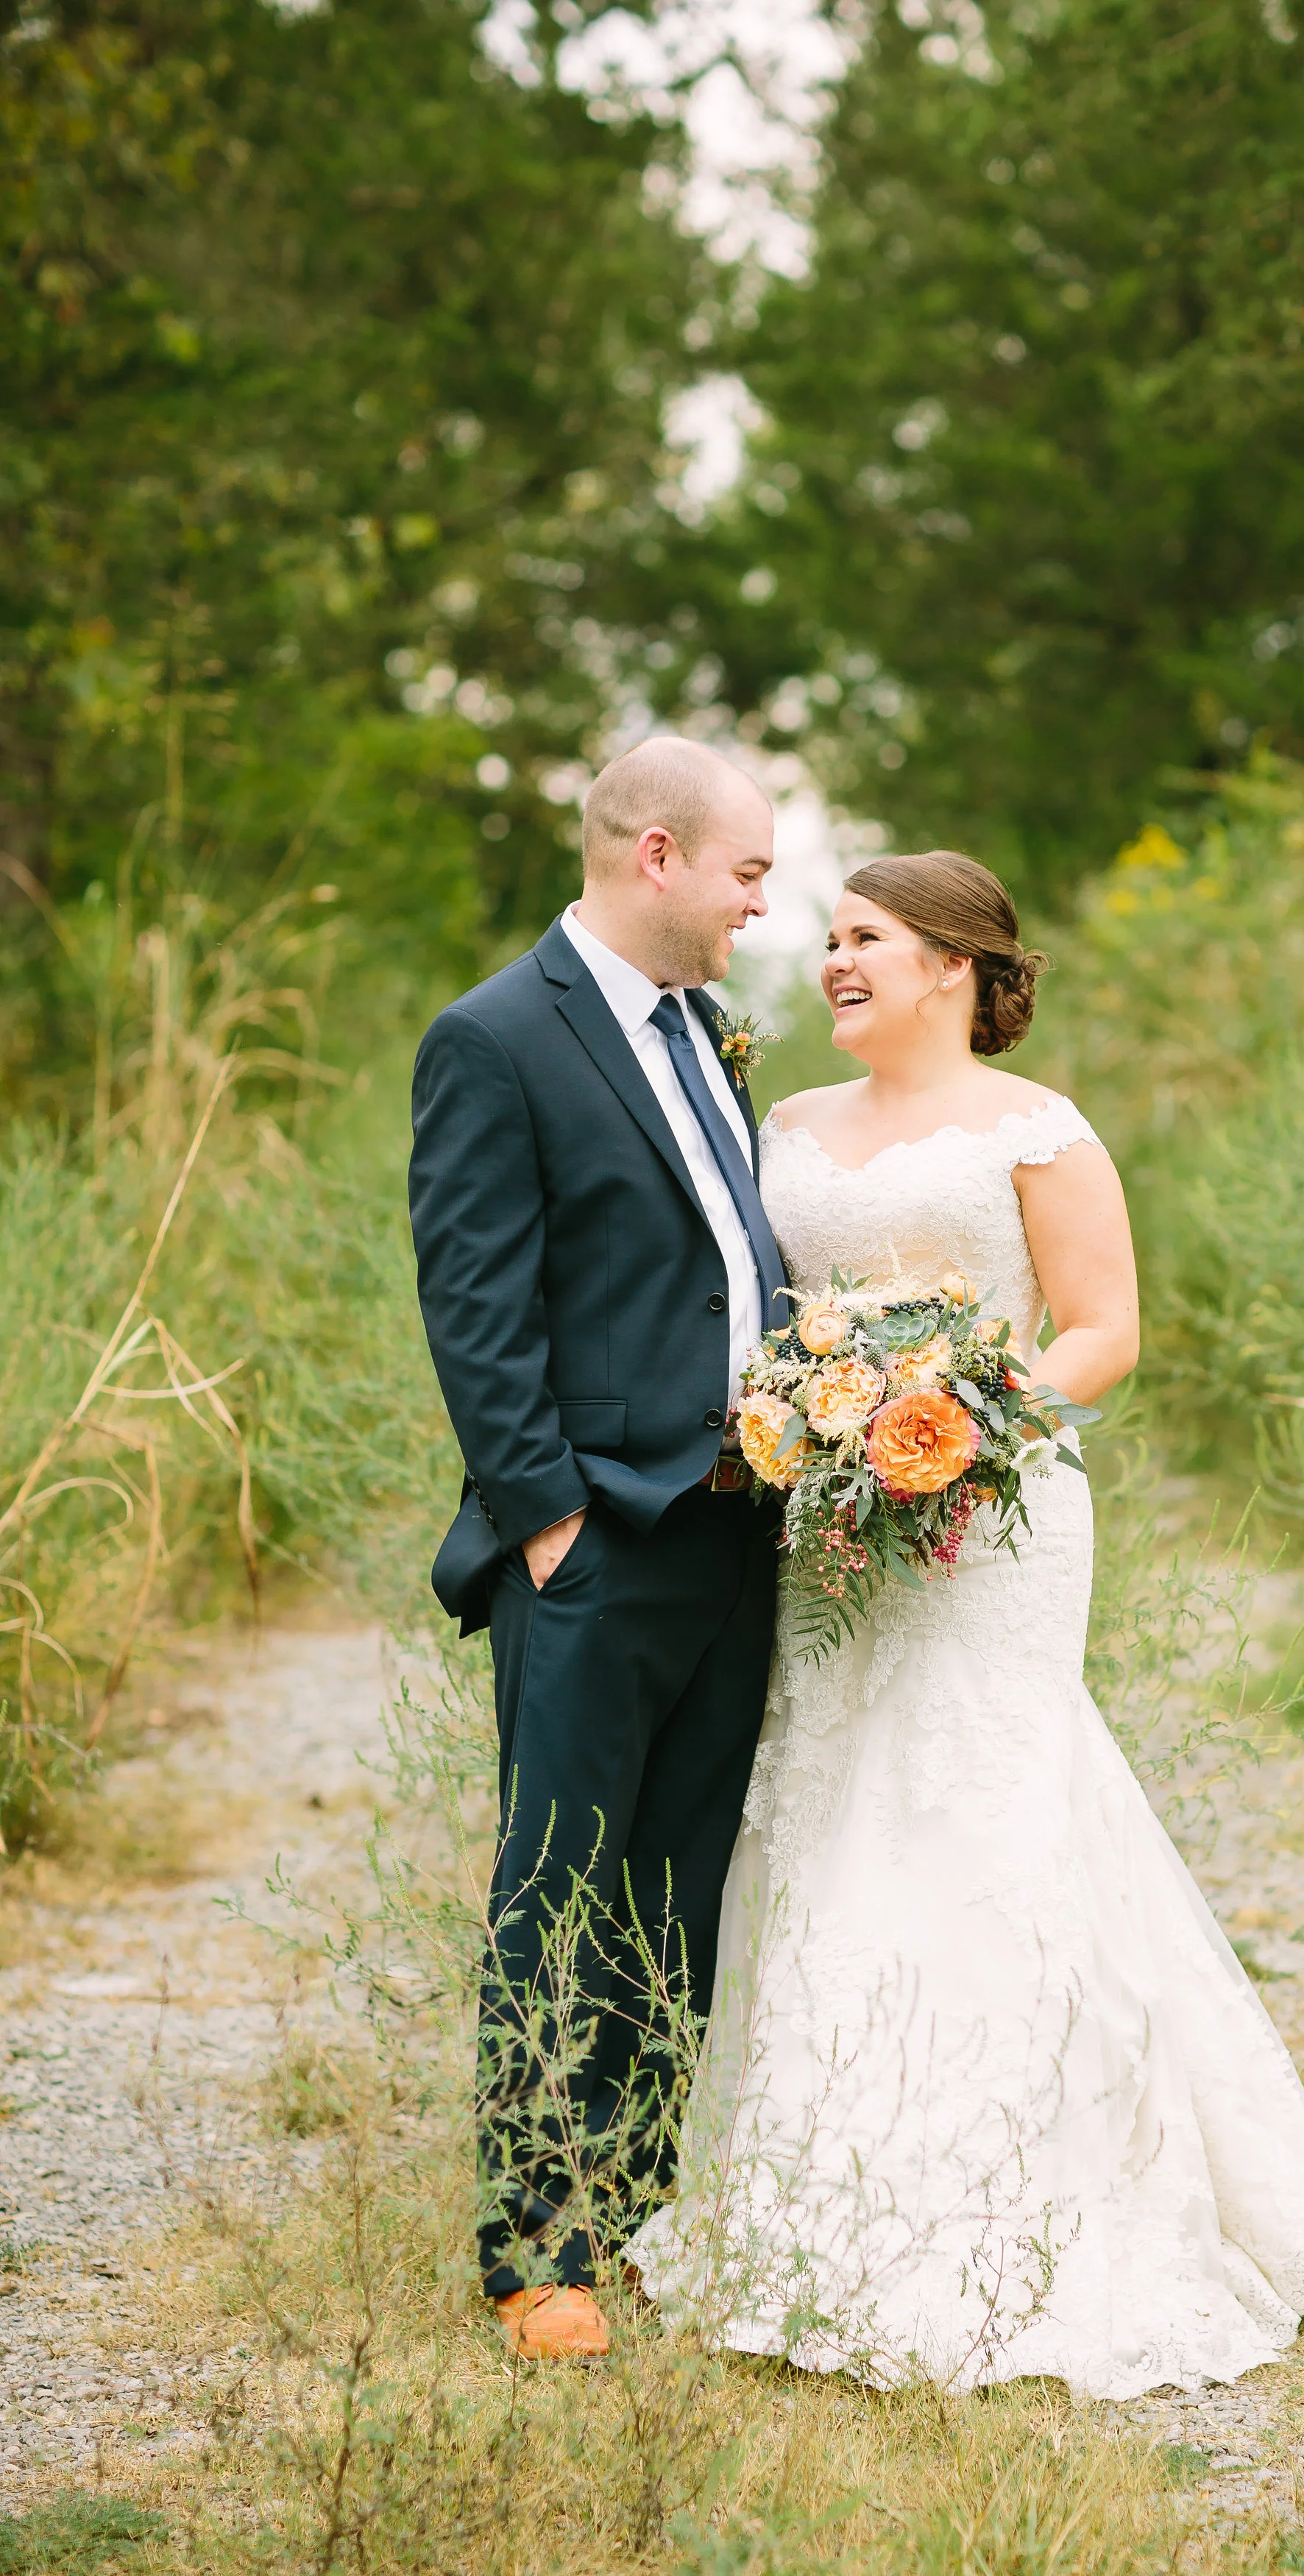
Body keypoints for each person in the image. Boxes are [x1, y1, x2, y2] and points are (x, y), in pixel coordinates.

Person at [631, 849, 1304, 2396]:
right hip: (831, 1524)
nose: (830, 959)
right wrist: (814, 1423)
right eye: (827, 938)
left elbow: (1104, 1326)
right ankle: (820, 2203)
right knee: (835, 1806)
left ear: (955, 965)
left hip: (992, 1521)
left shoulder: (1037, 1130)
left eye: (864, 939)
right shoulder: (782, 1127)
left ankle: (1040, 2203)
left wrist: (956, 1416)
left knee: (987, 1810)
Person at [408, 737, 789, 2360]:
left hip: (737, 1527)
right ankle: (535, 2256)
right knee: (555, 1897)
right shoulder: (494, 1037)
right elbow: (475, 1302)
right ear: (654, 854)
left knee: (675, 1893)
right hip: (597, 1541)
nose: (759, 906)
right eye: (746, 874)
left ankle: (630, 2213)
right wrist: (548, 1514)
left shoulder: (706, 1031)